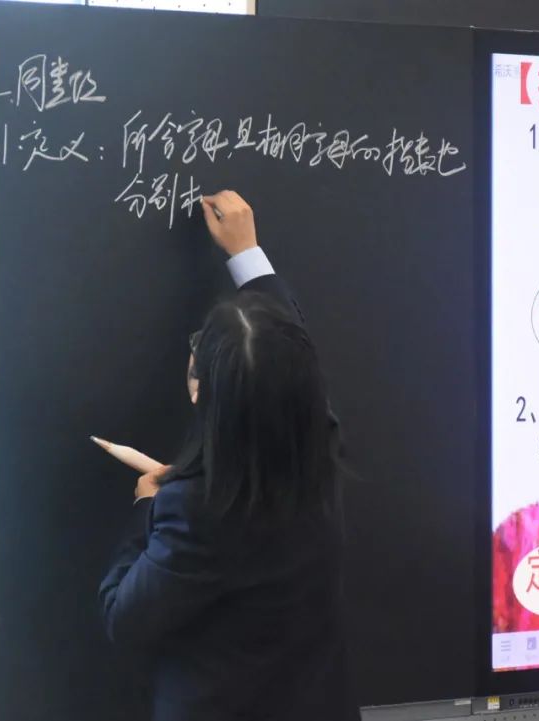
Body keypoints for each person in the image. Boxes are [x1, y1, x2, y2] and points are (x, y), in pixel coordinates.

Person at [99, 191, 359, 721]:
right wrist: (249, 257)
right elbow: (291, 359)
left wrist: (147, 505)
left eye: (198, 350)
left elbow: (124, 617)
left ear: (201, 390)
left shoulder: (193, 510)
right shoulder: (317, 452)